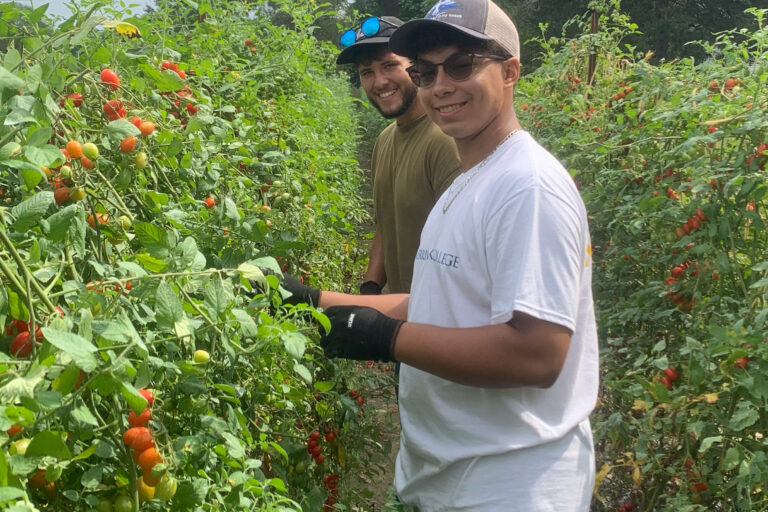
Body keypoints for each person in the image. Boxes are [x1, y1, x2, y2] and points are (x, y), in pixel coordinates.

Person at [278, 0, 599, 509]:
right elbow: (436, 300)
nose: (441, 85)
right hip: (456, 474)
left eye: (462, 65)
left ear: (510, 71)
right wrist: (314, 301)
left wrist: (387, 338)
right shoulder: (472, 179)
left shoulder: (526, 186)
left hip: (511, 483)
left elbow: (539, 355)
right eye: (427, 73)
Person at [336, 16, 462, 295]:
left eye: (389, 65)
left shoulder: (446, 142)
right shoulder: (384, 140)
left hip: (434, 323)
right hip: (397, 313)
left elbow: (463, 261)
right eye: (366, 72)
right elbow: (389, 221)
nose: (379, 81)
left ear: (417, 68)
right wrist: (370, 288)